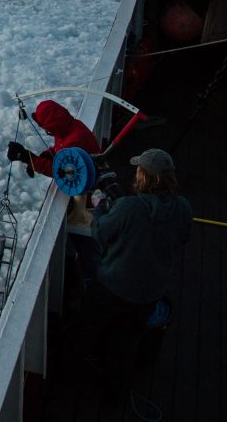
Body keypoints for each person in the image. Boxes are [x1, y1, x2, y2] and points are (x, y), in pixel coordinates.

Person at [74, 148, 193, 401]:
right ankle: (115, 394)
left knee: (87, 328)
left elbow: (100, 233)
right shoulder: (182, 208)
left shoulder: (129, 207)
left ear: (144, 175)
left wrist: (101, 206)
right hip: (149, 293)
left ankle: (72, 378)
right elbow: (183, 236)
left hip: (112, 287)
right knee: (126, 344)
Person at [6, 99, 100, 177]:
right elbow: (60, 149)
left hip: (89, 178)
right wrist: (44, 156)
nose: (46, 131)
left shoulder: (75, 139)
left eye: (47, 128)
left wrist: (29, 159)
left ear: (54, 126)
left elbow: (61, 171)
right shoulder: (68, 127)